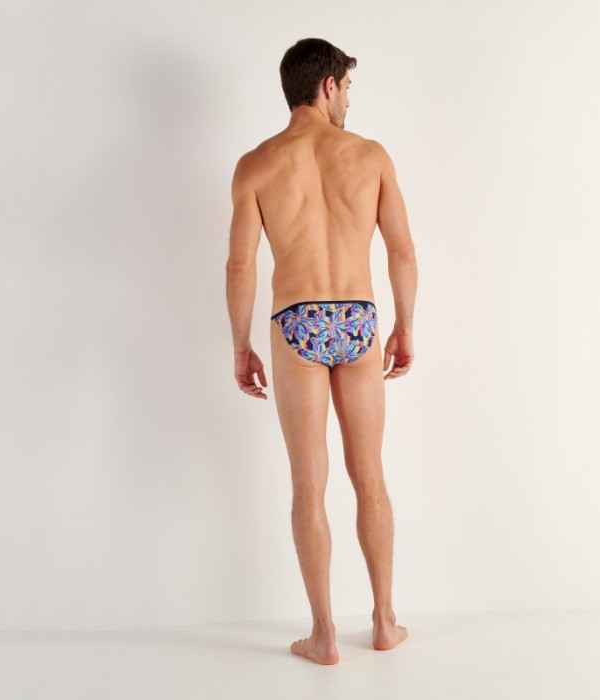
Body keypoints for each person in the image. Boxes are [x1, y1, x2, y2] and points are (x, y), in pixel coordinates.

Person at [226, 37, 417, 665]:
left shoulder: (256, 164)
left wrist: (240, 346)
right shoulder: (370, 156)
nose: (350, 102)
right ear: (328, 85)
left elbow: (240, 266)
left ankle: (324, 633)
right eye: (348, 88)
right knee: (371, 477)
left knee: (309, 485)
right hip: (358, 319)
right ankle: (384, 622)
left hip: (297, 322)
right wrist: (404, 326)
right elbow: (401, 250)